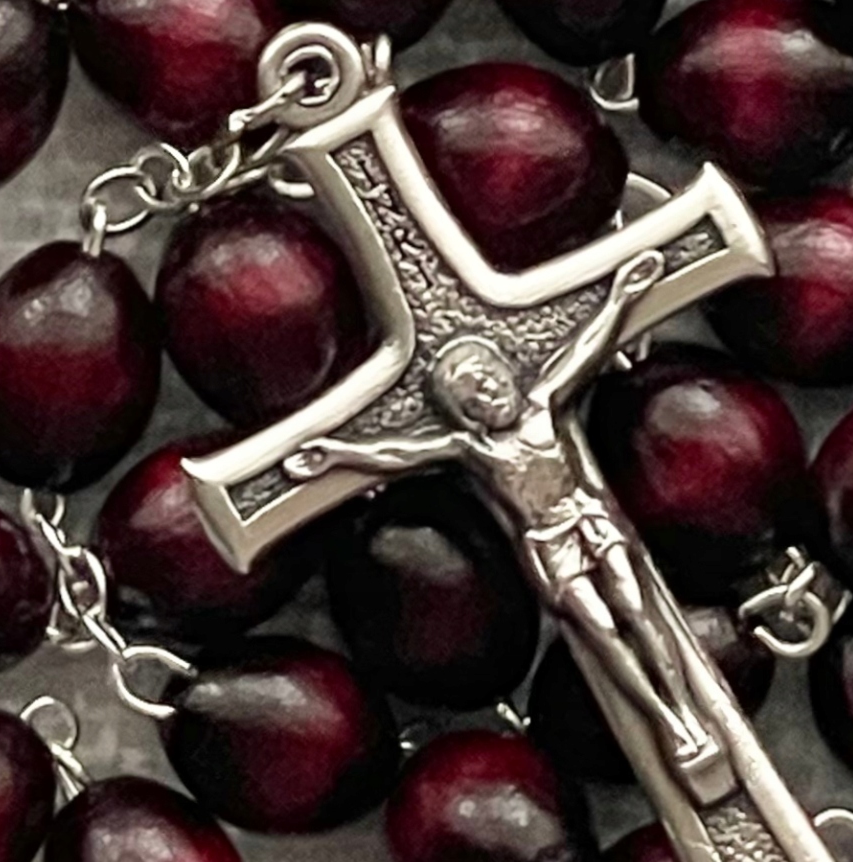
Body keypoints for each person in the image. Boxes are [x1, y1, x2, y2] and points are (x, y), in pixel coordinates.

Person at [281, 249, 735, 801]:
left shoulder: (542, 405)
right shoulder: (474, 450)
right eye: (475, 394)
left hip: (591, 521)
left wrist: (622, 295)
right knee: (605, 636)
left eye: (491, 379)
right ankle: (669, 722)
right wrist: (335, 456)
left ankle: (689, 711)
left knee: (641, 614)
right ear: (464, 412)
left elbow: (585, 348)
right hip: (552, 544)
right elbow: (397, 454)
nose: (491, 392)